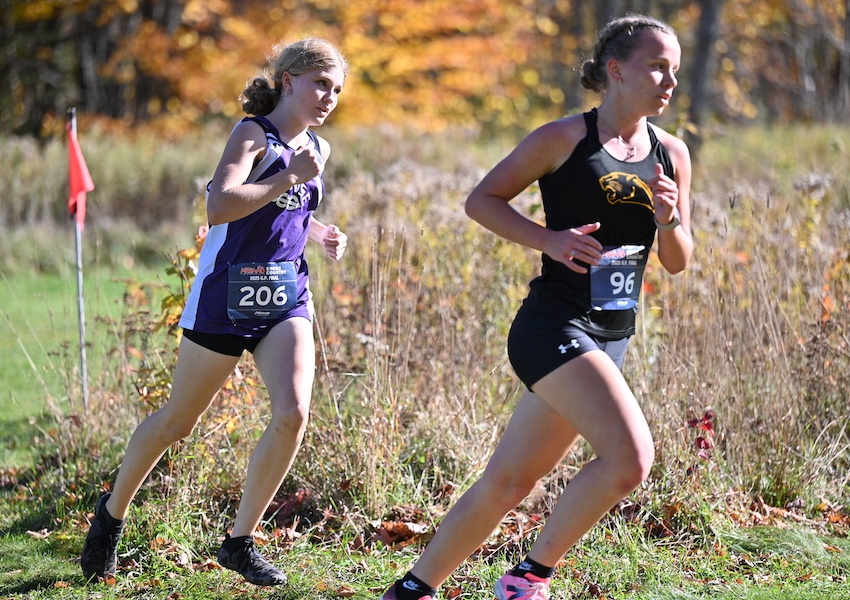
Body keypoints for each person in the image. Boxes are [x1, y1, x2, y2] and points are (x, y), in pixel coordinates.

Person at [380, 15, 693, 600]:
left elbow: (677, 260)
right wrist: (549, 240)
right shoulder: (562, 139)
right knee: (629, 459)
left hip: (611, 334)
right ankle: (529, 579)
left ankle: (412, 589)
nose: (669, 80)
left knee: (509, 481)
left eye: (674, 69)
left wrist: (669, 219)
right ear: (616, 71)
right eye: (657, 66)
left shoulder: (671, 154)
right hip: (553, 325)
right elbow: (482, 200)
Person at [81, 37, 349, 587]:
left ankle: (239, 541)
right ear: (289, 80)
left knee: (293, 412)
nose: (329, 97)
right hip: (226, 296)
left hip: (285, 296)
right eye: (321, 83)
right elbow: (221, 205)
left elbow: (287, 210)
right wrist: (287, 176)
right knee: (179, 422)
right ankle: (110, 517)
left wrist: (321, 233)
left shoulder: (317, 150)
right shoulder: (253, 134)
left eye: (338, 89)